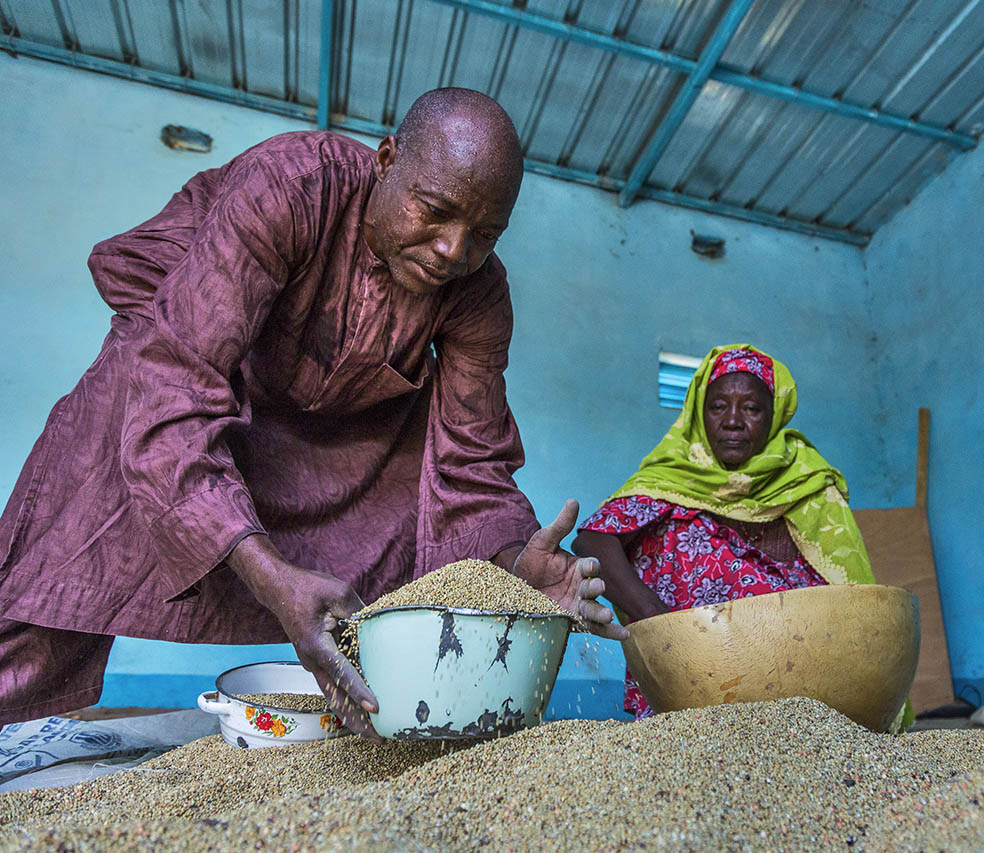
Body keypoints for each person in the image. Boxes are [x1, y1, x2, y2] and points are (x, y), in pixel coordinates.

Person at [0, 88, 624, 737]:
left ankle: (387, 719)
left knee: (420, 496)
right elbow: (177, 376)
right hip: (196, 385)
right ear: (386, 160)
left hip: (339, 451)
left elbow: (470, 462)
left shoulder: (479, 292)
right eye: (435, 211)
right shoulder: (295, 185)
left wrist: (515, 565)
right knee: (93, 487)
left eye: (485, 233)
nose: (452, 249)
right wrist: (269, 574)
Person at [573, 344, 879, 720]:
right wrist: (658, 617)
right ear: (700, 414)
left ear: (774, 416)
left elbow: (851, 592)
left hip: (794, 694)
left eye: (751, 408)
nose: (733, 420)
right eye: (718, 406)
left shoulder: (809, 484)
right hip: (689, 685)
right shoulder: (671, 477)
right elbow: (592, 539)